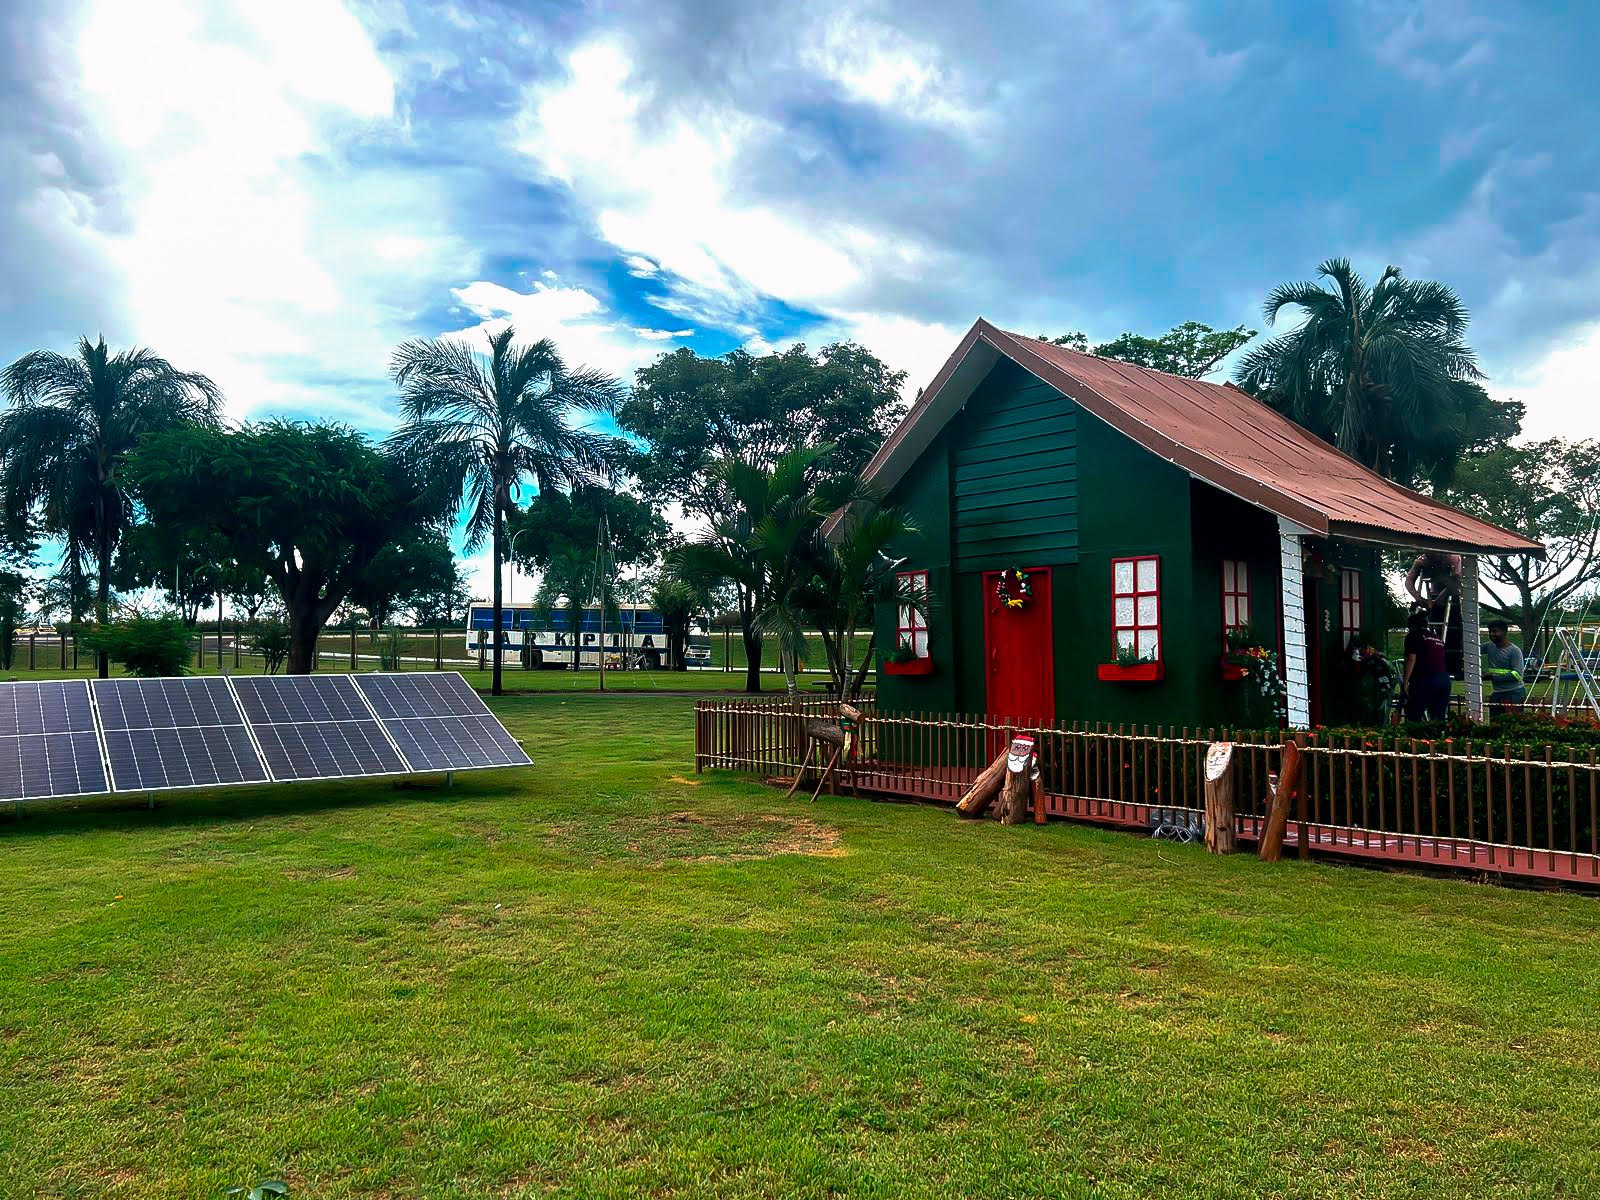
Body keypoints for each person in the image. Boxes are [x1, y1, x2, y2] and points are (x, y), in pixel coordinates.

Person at [1402, 609, 1451, 721]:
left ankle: (1413, 737)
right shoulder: (1436, 638)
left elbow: (1411, 659)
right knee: (1438, 718)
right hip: (1444, 680)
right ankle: (1438, 737)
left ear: (1412, 626)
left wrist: (1405, 682)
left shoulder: (1413, 636)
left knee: (1414, 715)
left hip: (1425, 679)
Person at [1482, 619, 1527, 712]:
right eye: (1490, 631)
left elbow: (1517, 674)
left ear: (1504, 632)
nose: (1491, 634)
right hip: (1497, 693)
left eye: (1495, 631)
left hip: (1513, 693)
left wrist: (1492, 677)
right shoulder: (1489, 646)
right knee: (1496, 724)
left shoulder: (1514, 651)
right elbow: (1472, 650)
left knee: (1512, 723)